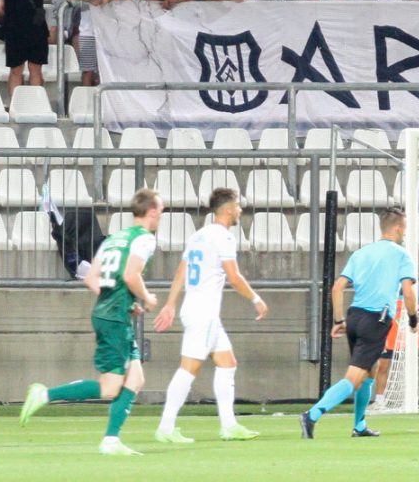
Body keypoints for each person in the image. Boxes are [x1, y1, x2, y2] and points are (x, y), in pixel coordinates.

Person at [20, 188, 165, 456]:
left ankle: (111, 440)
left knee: (135, 379)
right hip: (114, 320)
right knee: (110, 388)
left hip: (110, 313)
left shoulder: (116, 238)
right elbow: (131, 276)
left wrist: (123, 302)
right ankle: (45, 395)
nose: (161, 216)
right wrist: (147, 299)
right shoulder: (144, 239)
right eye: (161, 211)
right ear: (153, 212)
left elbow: (90, 277)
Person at [151, 185, 267, 446]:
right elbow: (234, 277)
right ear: (228, 210)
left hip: (197, 309)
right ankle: (165, 426)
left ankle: (229, 426)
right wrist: (256, 299)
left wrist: (171, 304)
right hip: (204, 313)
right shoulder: (223, 237)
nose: (240, 210)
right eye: (237, 205)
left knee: (228, 363)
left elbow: (181, 273)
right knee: (188, 369)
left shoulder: (198, 236)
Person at [301, 206, 418, 439]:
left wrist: (339, 320)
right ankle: (311, 415)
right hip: (377, 319)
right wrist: (414, 319)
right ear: (397, 228)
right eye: (404, 229)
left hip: (354, 317)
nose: (405, 233)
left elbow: (337, 287)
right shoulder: (402, 255)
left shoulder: (361, 253)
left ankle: (360, 425)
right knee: (353, 378)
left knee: (369, 372)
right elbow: (408, 292)